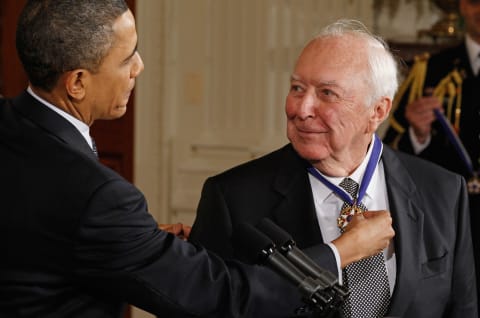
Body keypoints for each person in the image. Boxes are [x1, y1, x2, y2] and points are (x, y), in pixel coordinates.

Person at [0, 1, 315, 317]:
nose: (139, 66)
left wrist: (127, 237)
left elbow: (36, 229)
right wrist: (339, 253)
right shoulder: (100, 197)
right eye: (126, 59)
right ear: (78, 82)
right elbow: (219, 296)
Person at [189, 19, 478, 317]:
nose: (301, 110)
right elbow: (204, 306)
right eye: (297, 88)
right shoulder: (233, 199)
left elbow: (462, 309)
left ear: (377, 111)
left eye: (327, 93)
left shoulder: (443, 192)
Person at [383, 0, 480, 301]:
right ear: (463, 6)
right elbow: (390, 152)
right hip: (446, 217)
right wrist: (417, 132)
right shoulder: (430, 70)